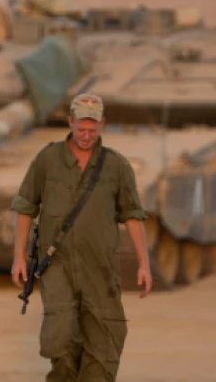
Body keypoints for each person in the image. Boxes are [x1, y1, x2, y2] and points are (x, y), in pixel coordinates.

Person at [10, 93, 152, 382]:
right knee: (61, 339)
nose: (86, 136)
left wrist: (144, 263)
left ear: (102, 124)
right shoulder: (47, 160)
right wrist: (19, 257)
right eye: (81, 129)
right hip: (57, 266)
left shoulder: (116, 166)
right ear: (70, 122)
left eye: (92, 129)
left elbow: (133, 216)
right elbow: (25, 207)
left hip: (100, 268)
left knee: (103, 343)